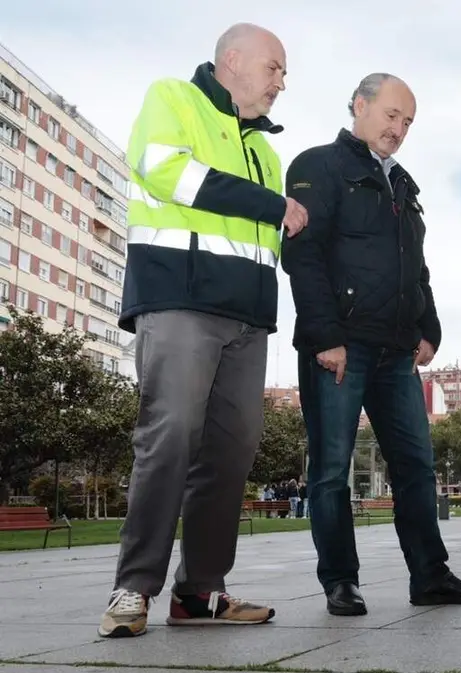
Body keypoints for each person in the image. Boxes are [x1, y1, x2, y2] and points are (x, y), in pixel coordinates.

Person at [98, 23, 309, 639]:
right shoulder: (174, 99)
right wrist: (273, 206)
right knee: (171, 435)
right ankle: (132, 589)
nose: (280, 82)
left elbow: (277, 240)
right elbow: (167, 172)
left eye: (284, 73)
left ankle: (200, 592)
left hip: (247, 320)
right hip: (181, 300)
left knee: (233, 451)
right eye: (274, 68)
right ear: (233, 60)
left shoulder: (267, 154)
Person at [281, 72, 461, 616]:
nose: (399, 129)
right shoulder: (317, 166)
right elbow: (303, 258)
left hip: (396, 352)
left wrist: (430, 328)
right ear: (359, 104)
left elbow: (415, 269)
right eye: (391, 115)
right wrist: (325, 336)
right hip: (340, 350)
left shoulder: (404, 184)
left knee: (417, 469)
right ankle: (340, 581)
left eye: (408, 122)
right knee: (331, 469)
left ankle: (431, 576)